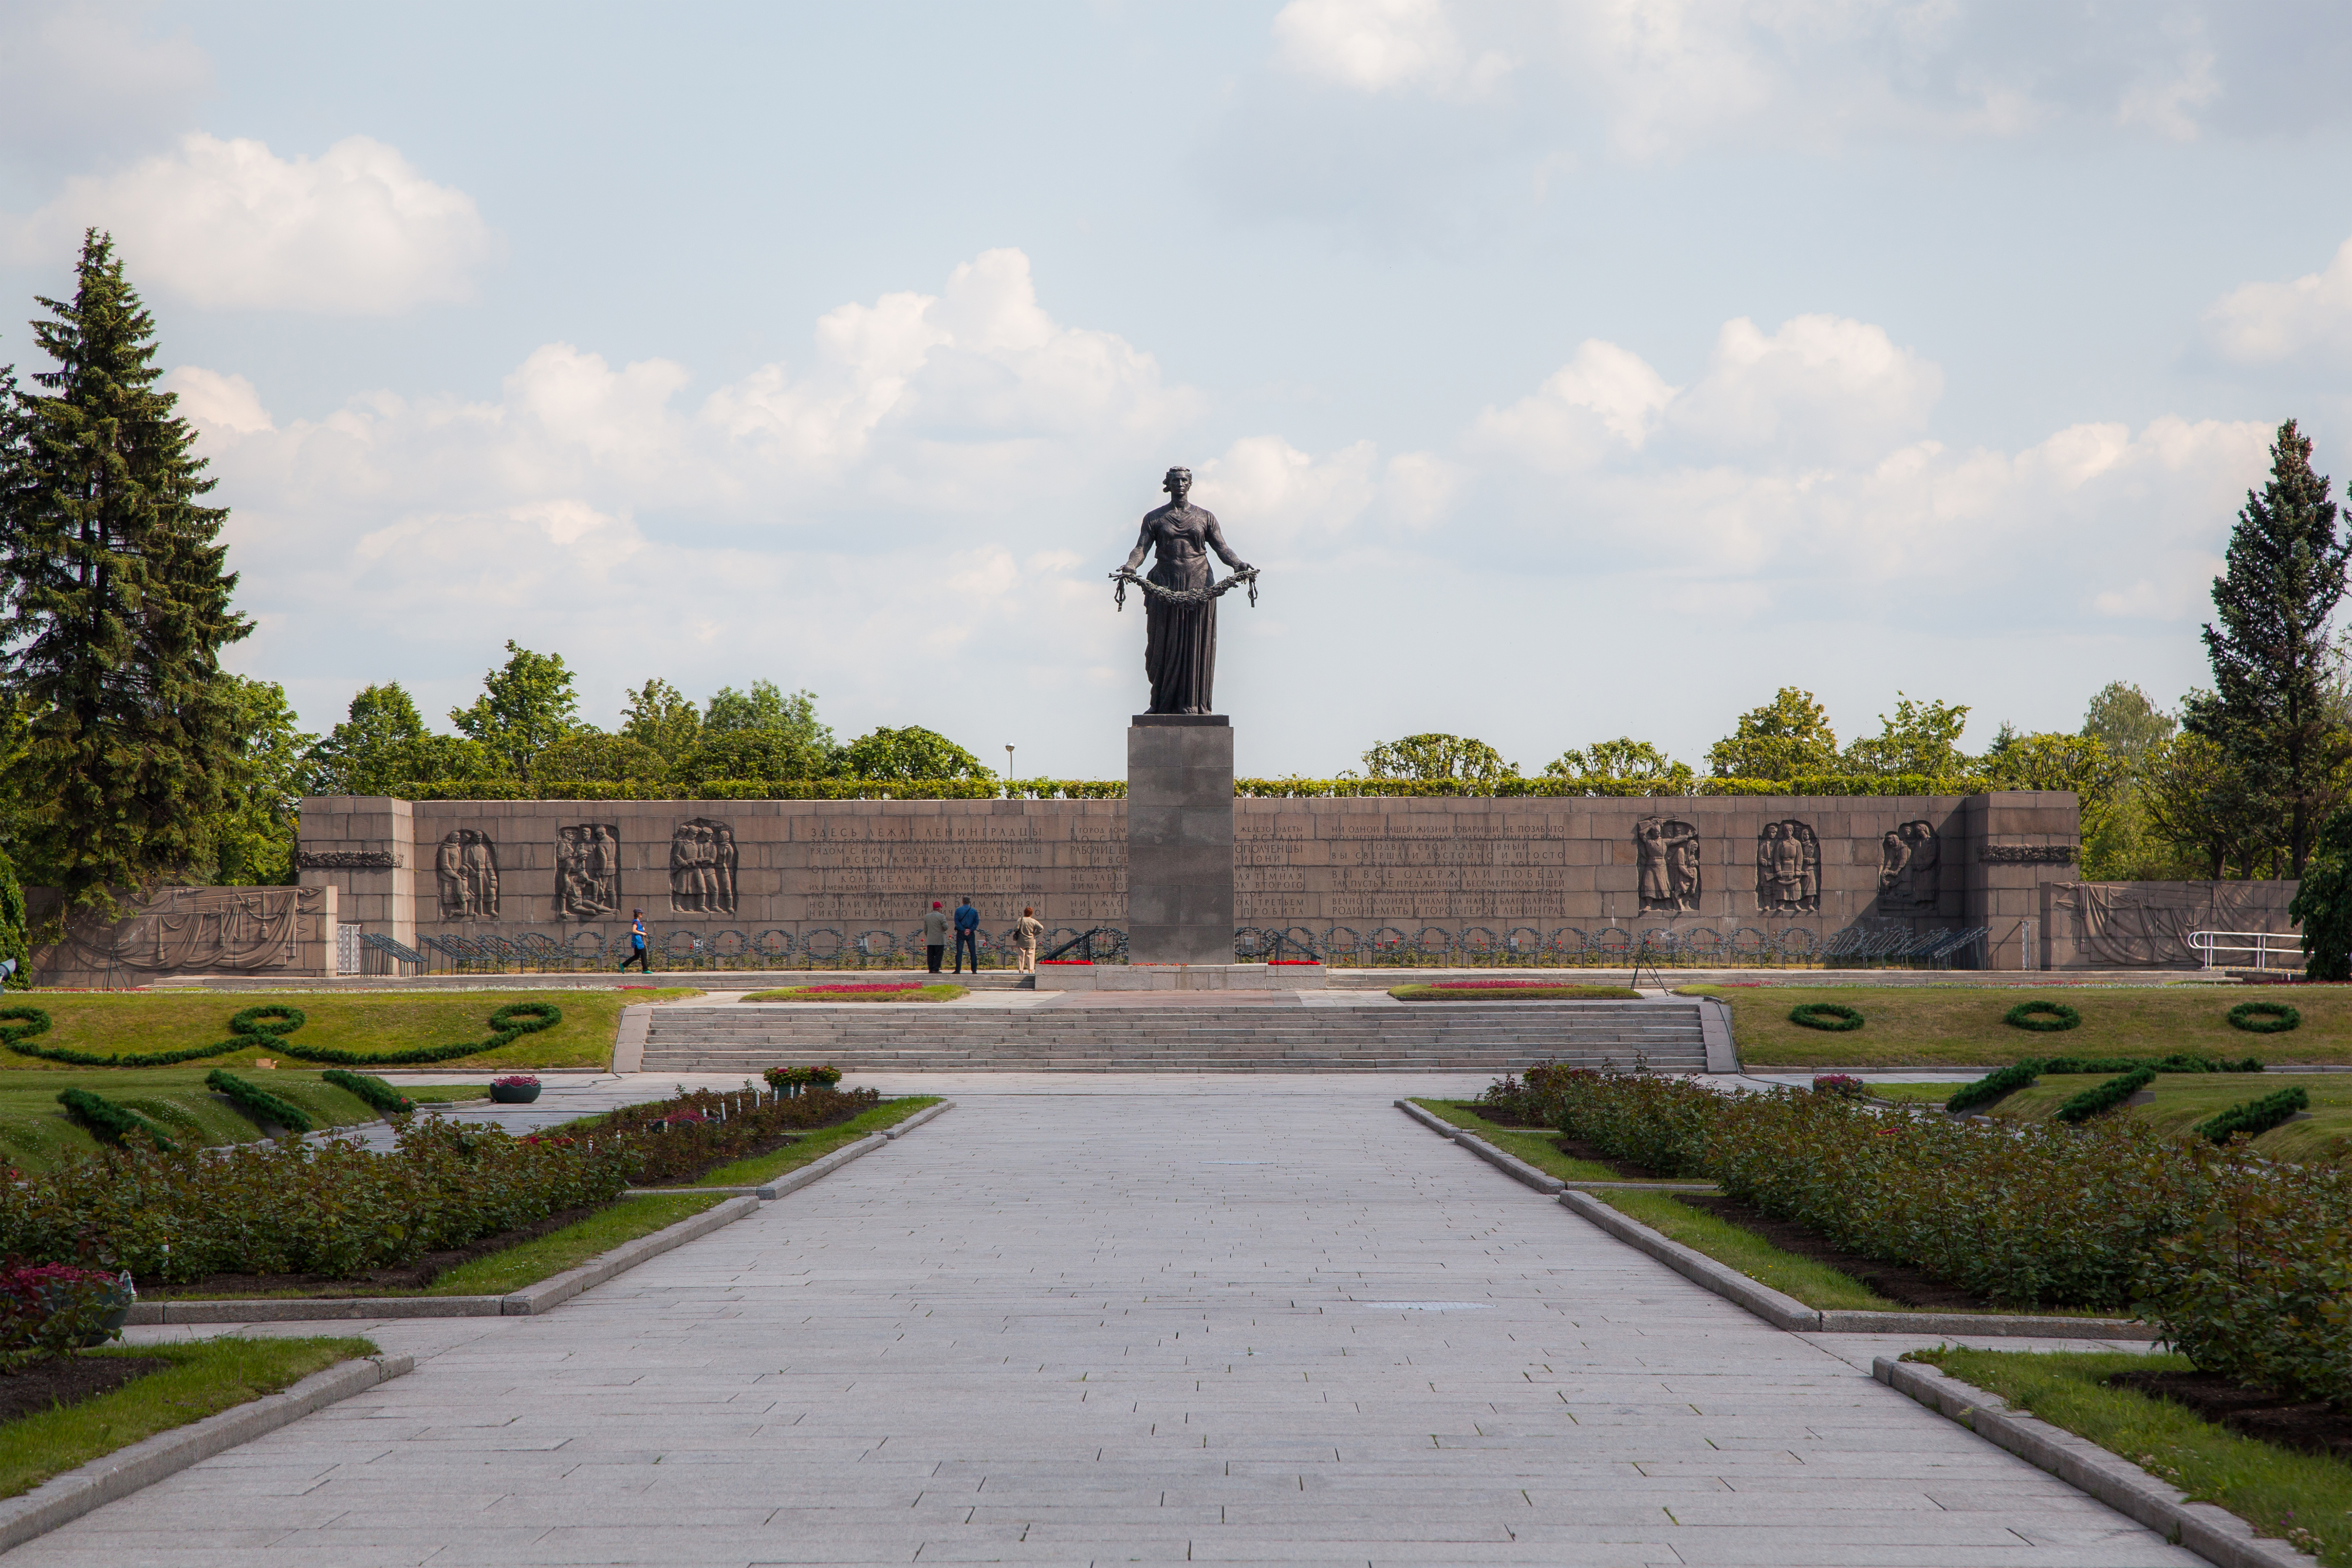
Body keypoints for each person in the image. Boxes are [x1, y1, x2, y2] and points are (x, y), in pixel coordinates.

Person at [953, 897, 980, 974]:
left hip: (961, 933)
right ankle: (974, 970)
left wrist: (963, 930)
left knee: (959, 952)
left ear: (963, 902)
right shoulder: (974, 911)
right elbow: (976, 922)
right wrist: (970, 930)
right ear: (969, 902)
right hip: (970, 933)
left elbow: (957, 922)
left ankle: (958, 970)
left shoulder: (958, 910)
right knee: (973, 952)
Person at [1014, 907, 1044, 973]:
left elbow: (1015, 929)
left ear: (1024, 912)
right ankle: (1030, 970)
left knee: (1021, 955)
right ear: (1031, 913)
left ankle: (1021, 970)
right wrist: (1035, 934)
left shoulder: (1020, 920)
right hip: (1031, 940)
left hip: (1021, 939)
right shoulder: (1033, 921)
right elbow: (1041, 928)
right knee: (1030, 955)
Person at [923, 900, 949, 974]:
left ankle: (931, 968)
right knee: (938, 955)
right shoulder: (942, 916)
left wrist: (928, 935)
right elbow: (946, 927)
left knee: (930, 955)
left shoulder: (927, 917)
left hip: (931, 939)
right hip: (939, 939)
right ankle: (936, 968)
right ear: (939, 908)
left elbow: (925, 928)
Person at [618, 909, 649, 973]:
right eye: (641, 913)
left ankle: (624, 965)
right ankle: (645, 970)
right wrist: (642, 933)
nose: (642, 915)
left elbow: (639, 929)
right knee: (644, 954)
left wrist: (643, 930)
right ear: (637, 914)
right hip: (639, 941)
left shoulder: (639, 922)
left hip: (639, 940)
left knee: (637, 956)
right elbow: (634, 931)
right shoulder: (635, 922)